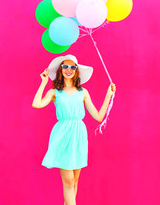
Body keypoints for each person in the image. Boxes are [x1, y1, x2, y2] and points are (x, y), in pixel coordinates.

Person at [32, 54, 116, 205]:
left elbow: (98, 116)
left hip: (79, 135)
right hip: (62, 135)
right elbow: (37, 104)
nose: (69, 69)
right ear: (60, 70)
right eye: (65, 66)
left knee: (75, 181)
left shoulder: (83, 92)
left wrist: (108, 95)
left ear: (76, 70)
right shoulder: (54, 92)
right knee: (69, 181)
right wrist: (44, 82)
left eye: (72, 67)